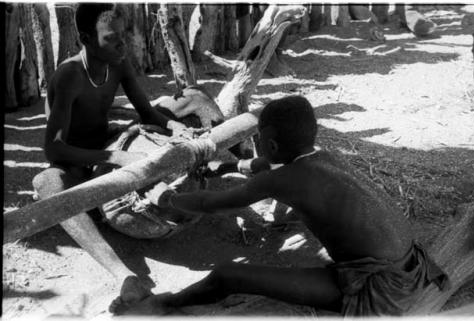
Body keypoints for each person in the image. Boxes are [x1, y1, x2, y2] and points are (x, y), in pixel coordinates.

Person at [109, 95, 449, 316]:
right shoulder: (325, 158)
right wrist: (227, 167)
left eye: (259, 141)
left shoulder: (288, 179)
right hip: (413, 265)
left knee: (228, 275)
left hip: (384, 293)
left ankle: (161, 305)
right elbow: (266, 168)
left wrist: (168, 198)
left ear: (269, 143)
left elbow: (214, 204)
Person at [32, 3, 195, 306]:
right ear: (86, 38)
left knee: (188, 102)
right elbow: (53, 148)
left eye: (123, 35)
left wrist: (174, 127)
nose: (123, 43)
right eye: (112, 37)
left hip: (106, 144)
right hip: (75, 162)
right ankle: (123, 275)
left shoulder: (118, 61)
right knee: (46, 182)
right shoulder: (69, 76)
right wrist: (115, 158)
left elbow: (146, 112)